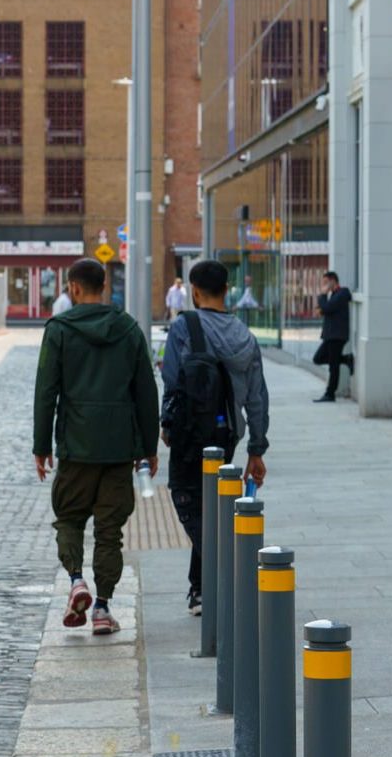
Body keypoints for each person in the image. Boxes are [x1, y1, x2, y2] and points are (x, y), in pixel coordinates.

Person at [33, 257, 160, 635]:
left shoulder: (58, 329)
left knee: (69, 519)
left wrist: (42, 446)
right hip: (119, 448)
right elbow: (146, 393)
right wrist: (148, 448)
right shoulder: (128, 330)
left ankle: (76, 581)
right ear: (104, 286)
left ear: (72, 288)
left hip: (76, 445)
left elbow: (46, 392)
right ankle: (103, 609)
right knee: (110, 531)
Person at [160, 260, 269, 614]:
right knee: (212, 501)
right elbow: (257, 396)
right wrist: (256, 448)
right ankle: (200, 589)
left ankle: (225, 570)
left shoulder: (184, 327)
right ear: (227, 291)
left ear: (193, 291)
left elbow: (173, 381)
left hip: (191, 432)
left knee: (185, 497)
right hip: (227, 434)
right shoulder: (244, 335)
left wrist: (167, 424)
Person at [314, 270, 354, 402]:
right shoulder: (334, 295)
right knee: (318, 358)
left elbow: (326, 308)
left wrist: (323, 295)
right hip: (330, 335)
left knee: (333, 366)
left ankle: (330, 393)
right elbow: (323, 309)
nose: (324, 285)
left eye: (325, 282)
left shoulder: (342, 293)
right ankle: (346, 359)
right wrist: (323, 304)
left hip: (337, 335)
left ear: (333, 281)